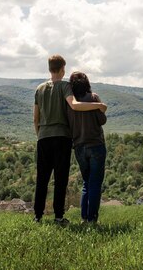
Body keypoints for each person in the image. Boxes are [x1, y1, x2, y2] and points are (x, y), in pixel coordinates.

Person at [33, 55, 107, 225]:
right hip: (62, 137)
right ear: (62, 69)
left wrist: (40, 136)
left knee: (42, 179)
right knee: (61, 179)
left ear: (49, 68)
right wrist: (98, 105)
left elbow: (35, 119)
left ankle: (37, 216)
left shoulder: (39, 89)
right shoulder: (65, 86)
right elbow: (74, 105)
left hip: (43, 137)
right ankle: (59, 217)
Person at [67, 71, 107, 224]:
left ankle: (84, 217)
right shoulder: (93, 98)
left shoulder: (70, 102)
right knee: (95, 183)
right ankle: (92, 219)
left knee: (86, 183)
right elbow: (102, 120)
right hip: (96, 144)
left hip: (79, 147)